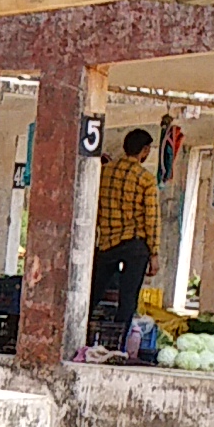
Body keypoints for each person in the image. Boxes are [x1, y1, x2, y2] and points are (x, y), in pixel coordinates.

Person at [91, 126, 159, 334]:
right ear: (145, 150)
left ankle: (81, 332)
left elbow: (97, 207)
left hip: (107, 242)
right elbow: (151, 219)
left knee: (93, 293)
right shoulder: (146, 179)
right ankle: (117, 341)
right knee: (128, 299)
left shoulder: (105, 172)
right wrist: (154, 254)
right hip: (135, 244)